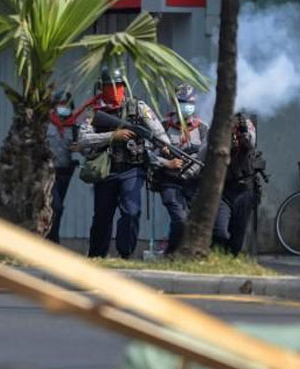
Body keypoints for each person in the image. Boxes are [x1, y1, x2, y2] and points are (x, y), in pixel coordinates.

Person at [77, 67, 171, 259]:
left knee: (132, 212)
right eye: (110, 86)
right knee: (102, 216)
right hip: (105, 170)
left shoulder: (138, 107)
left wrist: (165, 146)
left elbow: (158, 131)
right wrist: (112, 136)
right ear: (102, 88)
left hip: (132, 169)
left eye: (118, 85)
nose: (115, 90)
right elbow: (83, 141)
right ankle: (96, 256)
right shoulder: (93, 111)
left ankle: (125, 253)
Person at [157, 84, 208, 255]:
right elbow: (148, 153)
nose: (186, 106)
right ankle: (171, 252)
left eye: (189, 102)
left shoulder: (202, 128)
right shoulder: (162, 126)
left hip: (194, 182)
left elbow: (207, 156)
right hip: (170, 180)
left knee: (197, 221)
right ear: (175, 103)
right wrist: (166, 162)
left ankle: (185, 253)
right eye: (181, 102)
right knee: (180, 219)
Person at [212, 113, 258, 256]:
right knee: (220, 232)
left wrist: (243, 133)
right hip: (223, 189)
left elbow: (250, 142)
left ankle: (231, 260)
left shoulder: (246, 125)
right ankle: (217, 257)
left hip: (243, 189)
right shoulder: (217, 125)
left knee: (237, 236)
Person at [45, 90, 81, 244]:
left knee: (58, 209)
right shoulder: (46, 124)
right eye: (61, 104)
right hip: (47, 172)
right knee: (55, 206)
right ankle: (51, 240)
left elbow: (84, 148)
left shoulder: (73, 127)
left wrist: (79, 148)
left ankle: (52, 238)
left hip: (65, 172)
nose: (63, 107)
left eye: (66, 105)